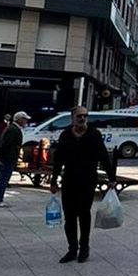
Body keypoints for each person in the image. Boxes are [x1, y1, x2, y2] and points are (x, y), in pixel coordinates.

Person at [50, 106, 115, 263]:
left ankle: (84, 247)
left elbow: (104, 157)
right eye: (79, 116)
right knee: (70, 217)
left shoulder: (94, 134)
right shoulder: (65, 135)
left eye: (85, 116)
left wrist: (111, 177)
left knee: (84, 214)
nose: (82, 118)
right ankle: (72, 249)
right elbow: (58, 159)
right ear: (72, 117)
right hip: (69, 181)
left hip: (87, 181)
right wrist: (54, 180)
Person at [0, 111, 28, 207]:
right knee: (3, 179)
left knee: (3, 178)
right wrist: (2, 156)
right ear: (19, 119)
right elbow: (5, 144)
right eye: (24, 119)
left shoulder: (13, 128)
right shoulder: (13, 129)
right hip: (8, 158)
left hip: (9, 157)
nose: (26, 121)